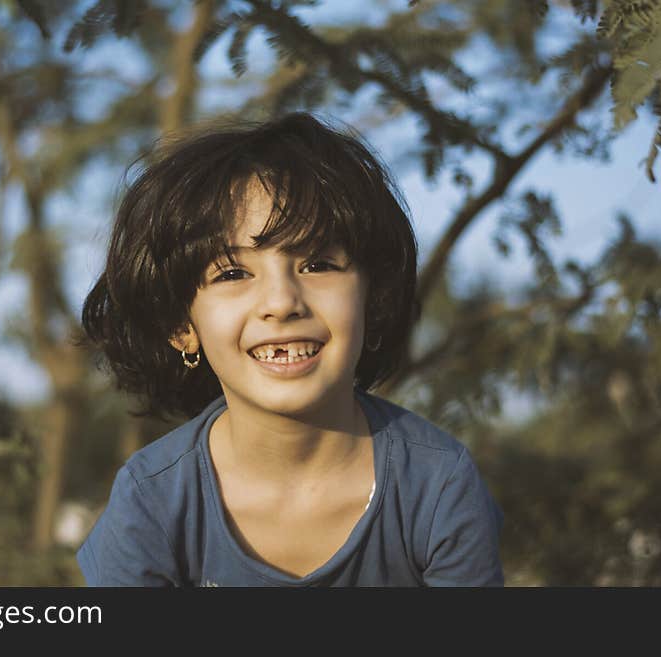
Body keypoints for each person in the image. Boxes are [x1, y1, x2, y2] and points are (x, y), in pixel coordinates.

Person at [75, 112, 504, 586]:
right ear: (180, 326)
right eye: (232, 274)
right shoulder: (150, 502)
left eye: (318, 264)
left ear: (373, 298)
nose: (281, 303)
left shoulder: (437, 485)